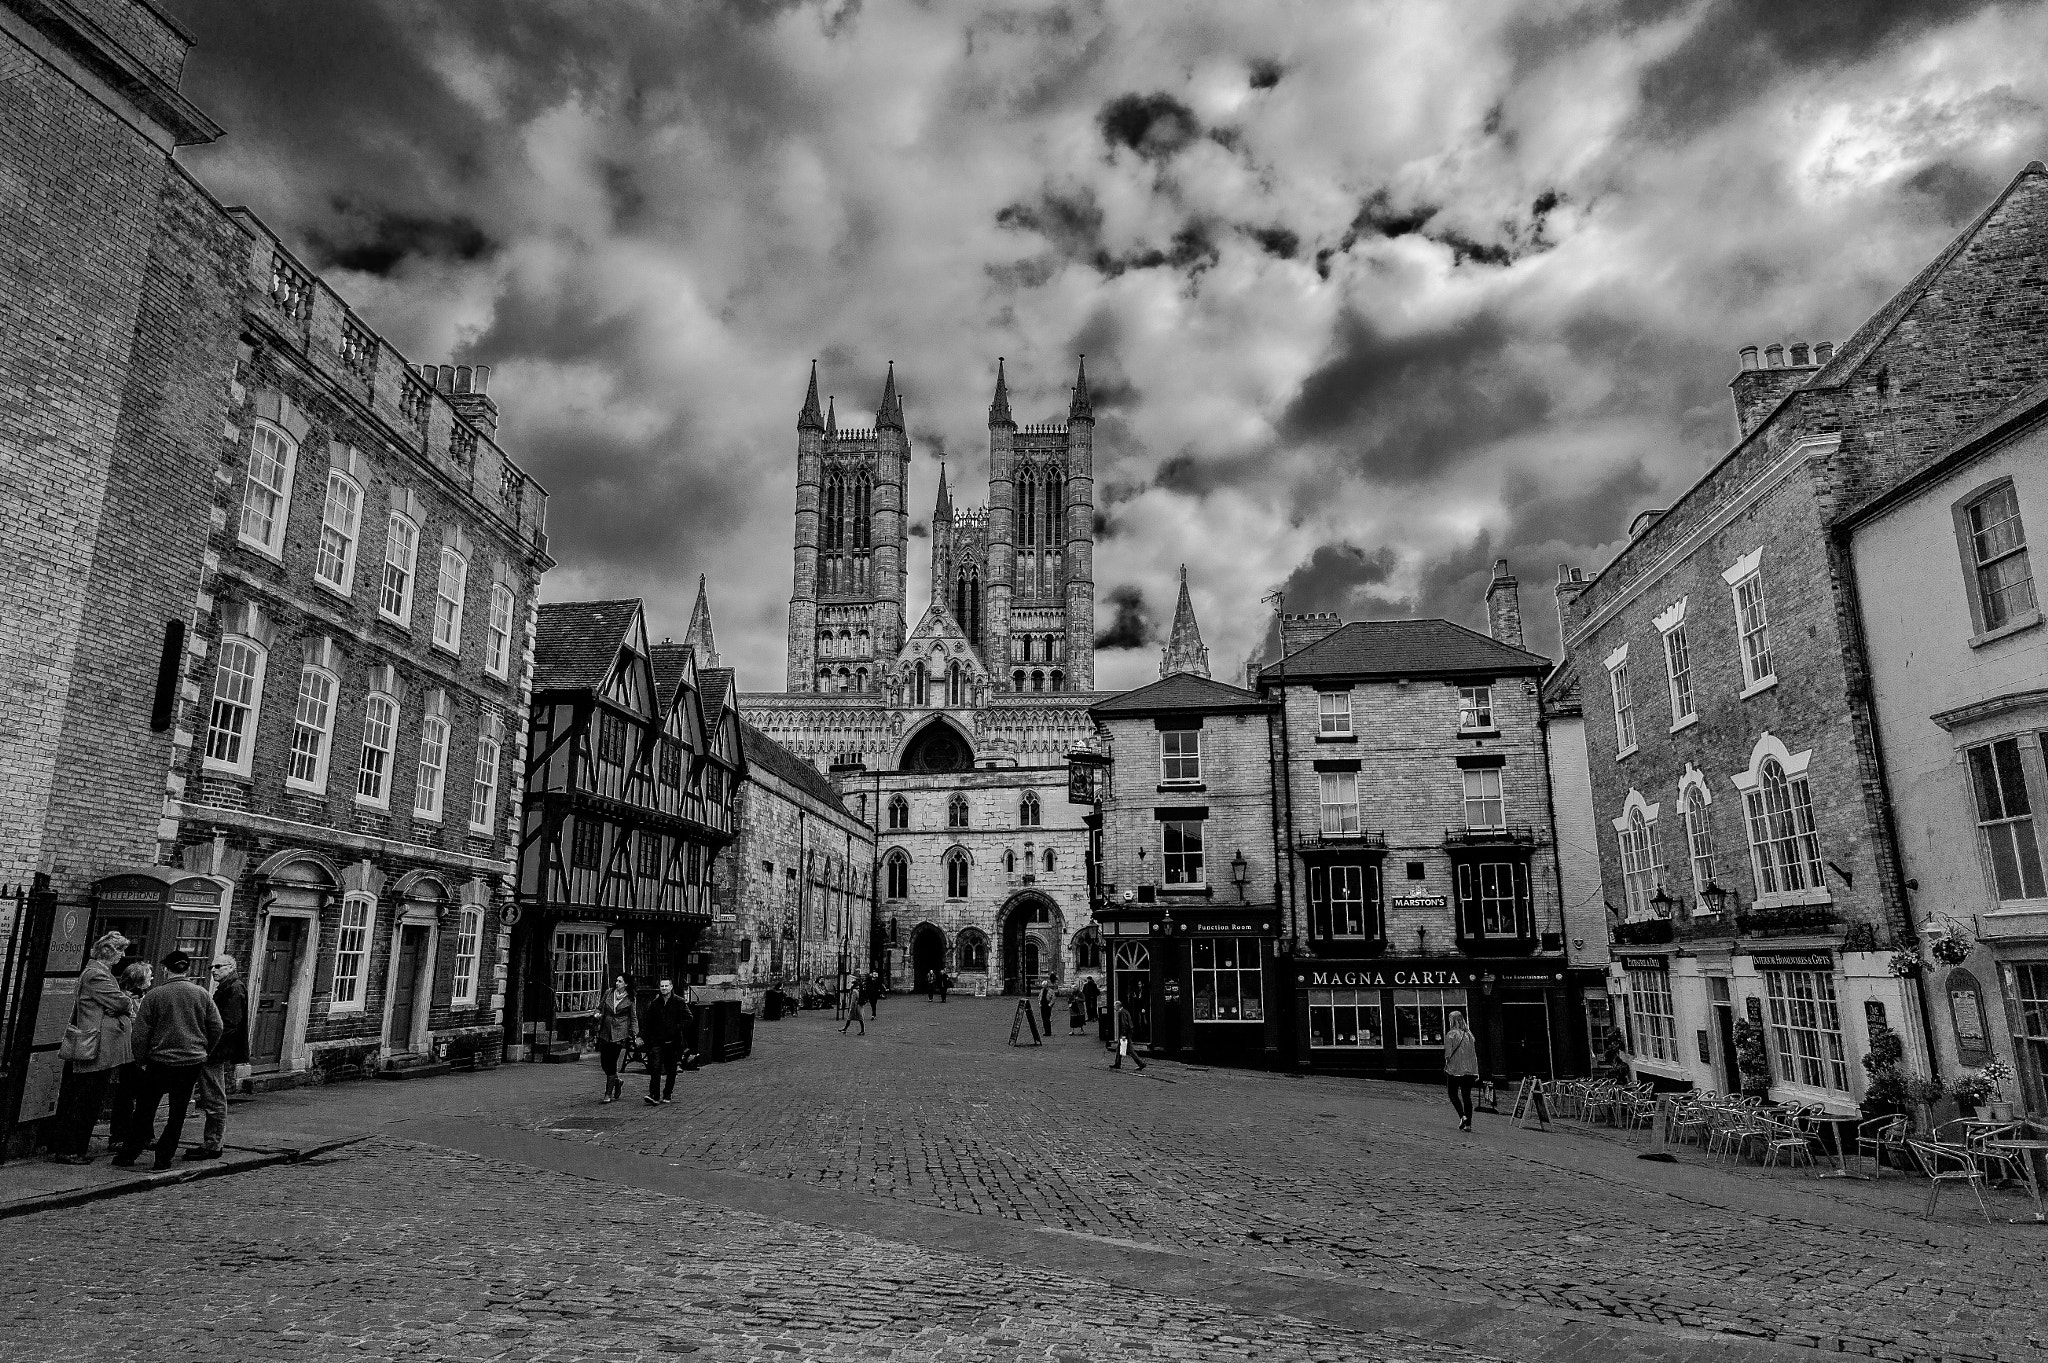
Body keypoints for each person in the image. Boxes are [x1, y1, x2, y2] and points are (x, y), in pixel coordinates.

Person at [117, 950, 222, 1170]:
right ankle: (164, 1157)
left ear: (166, 969)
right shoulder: (202, 994)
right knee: (178, 1112)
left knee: (145, 1109)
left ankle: (129, 1153)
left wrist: (141, 1058)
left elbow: (140, 1033)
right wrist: (204, 1050)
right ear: (188, 969)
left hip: (160, 1061)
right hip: (191, 1062)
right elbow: (216, 1026)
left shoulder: (154, 996)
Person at [48, 932, 135, 1164]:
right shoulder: (97, 974)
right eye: (120, 950)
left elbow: (116, 1003)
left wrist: (117, 1005)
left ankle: (73, 1147)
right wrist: (122, 1004)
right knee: (86, 1100)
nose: (123, 955)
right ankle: (70, 1149)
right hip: (94, 1046)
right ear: (108, 952)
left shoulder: (100, 973)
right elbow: (123, 1002)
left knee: (87, 1099)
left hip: (101, 1045)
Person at [185, 954, 248, 1160]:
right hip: (212, 1049)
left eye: (218, 966)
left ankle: (213, 1144)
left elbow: (229, 1024)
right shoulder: (227, 988)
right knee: (211, 1095)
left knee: (214, 1097)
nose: (213, 970)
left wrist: (208, 1044)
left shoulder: (234, 989)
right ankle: (211, 1142)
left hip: (214, 1051)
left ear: (231, 968)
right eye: (212, 966)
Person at [107, 963, 154, 1157]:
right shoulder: (124, 999)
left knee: (146, 1096)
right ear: (139, 979)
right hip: (128, 1052)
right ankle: (119, 1136)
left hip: (144, 1053)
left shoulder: (147, 998)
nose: (151, 979)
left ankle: (143, 1134)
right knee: (125, 1096)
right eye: (149, 976)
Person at [640, 978, 689, 1105]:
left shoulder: (679, 1002)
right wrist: (641, 1036)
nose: (664, 988)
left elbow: (689, 1018)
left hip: (673, 1041)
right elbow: (648, 1021)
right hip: (658, 1040)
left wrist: (677, 1027)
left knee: (671, 1069)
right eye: (662, 986)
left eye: (667, 985)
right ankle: (654, 1095)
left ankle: (667, 1093)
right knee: (655, 1068)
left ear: (671, 987)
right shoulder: (655, 1003)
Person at [593, 974, 636, 1103]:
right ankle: (617, 1081)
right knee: (604, 1062)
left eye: (620, 981)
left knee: (612, 1062)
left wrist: (635, 1034)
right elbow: (600, 1007)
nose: (617, 983)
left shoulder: (630, 998)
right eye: (616, 980)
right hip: (605, 1031)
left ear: (626, 984)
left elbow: (633, 1017)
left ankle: (607, 1094)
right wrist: (598, 1014)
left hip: (619, 1033)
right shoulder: (609, 993)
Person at [1444, 1010, 1480, 1132]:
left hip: (1454, 1070)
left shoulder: (1450, 1035)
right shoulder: (1469, 1035)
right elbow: (1473, 1055)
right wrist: (1476, 1071)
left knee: (1452, 1094)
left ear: (1452, 1021)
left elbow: (1448, 1054)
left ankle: (1462, 1116)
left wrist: (1447, 1063)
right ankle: (1468, 1124)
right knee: (1467, 1097)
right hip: (1469, 1071)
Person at [1111, 1000, 1145, 1071]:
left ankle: (1140, 1063)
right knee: (1119, 1047)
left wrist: (1123, 1035)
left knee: (1129, 1049)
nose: (1114, 1007)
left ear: (1118, 1006)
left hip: (1126, 1033)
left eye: (1114, 1006)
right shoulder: (1125, 1011)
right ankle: (1117, 1063)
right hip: (1128, 1031)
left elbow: (1124, 1024)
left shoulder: (1121, 1013)